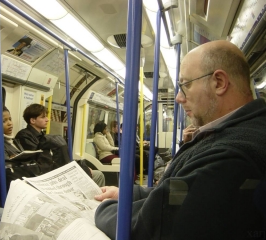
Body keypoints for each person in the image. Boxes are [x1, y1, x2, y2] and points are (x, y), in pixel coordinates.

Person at [94, 40, 265, 239]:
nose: (178, 98)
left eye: (185, 85)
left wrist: (103, 209)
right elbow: (182, 192)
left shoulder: (233, 156)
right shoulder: (231, 132)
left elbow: (147, 228)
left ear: (219, 82)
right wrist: (128, 195)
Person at [15, 103, 105, 187]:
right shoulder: (24, 136)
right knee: (97, 176)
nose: (47, 119)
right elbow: (40, 160)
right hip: (46, 175)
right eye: (43, 117)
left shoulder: (43, 136)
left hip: (54, 170)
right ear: (33, 120)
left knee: (96, 173)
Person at [0, 105, 41, 192]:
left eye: (10, 119)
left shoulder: (13, 140)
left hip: (22, 179)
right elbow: (6, 165)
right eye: (4, 121)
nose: (10, 123)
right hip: (11, 184)